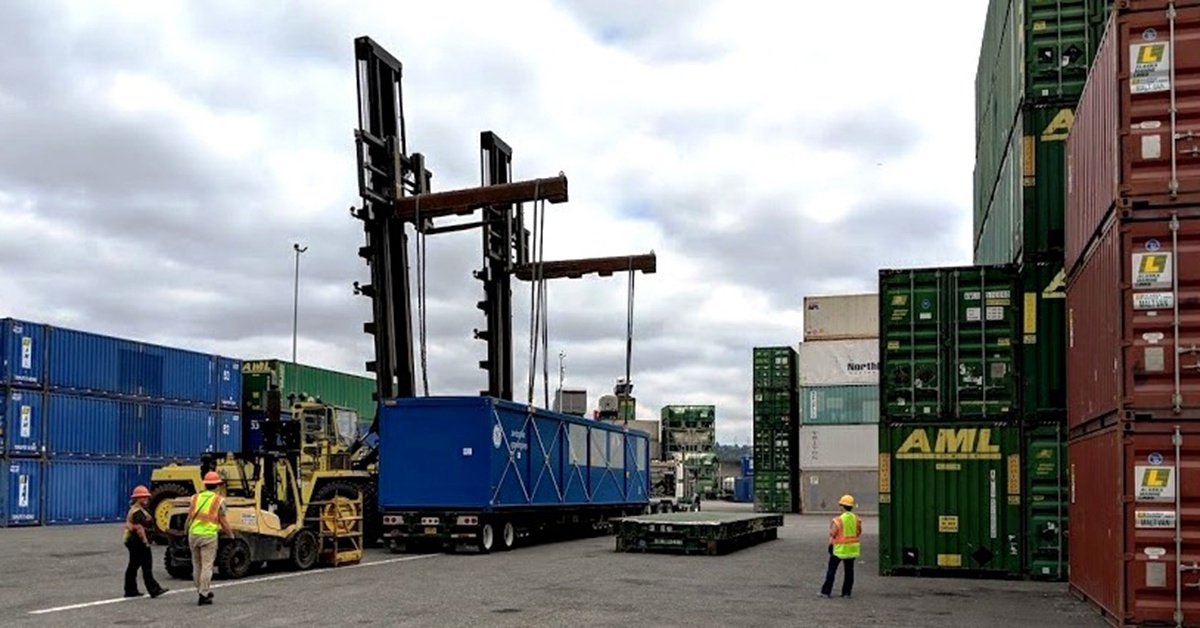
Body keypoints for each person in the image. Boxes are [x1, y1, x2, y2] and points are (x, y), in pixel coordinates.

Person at [185, 471, 233, 606]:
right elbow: (223, 521)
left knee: (196, 565)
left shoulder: (194, 498)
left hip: (193, 534)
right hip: (208, 536)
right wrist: (231, 536)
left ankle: (199, 590)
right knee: (207, 566)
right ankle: (204, 593)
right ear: (217, 485)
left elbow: (189, 517)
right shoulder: (218, 500)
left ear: (205, 484)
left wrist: (185, 532)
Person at [124, 485, 168, 599]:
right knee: (146, 565)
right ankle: (153, 589)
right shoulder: (137, 512)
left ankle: (130, 589)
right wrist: (145, 542)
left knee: (134, 565)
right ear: (138, 498)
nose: (146, 500)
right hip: (138, 541)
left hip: (133, 540)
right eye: (144, 498)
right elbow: (139, 528)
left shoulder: (136, 509)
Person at [820, 494, 862, 599]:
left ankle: (826, 591)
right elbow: (858, 532)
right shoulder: (856, 519)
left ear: (842, 506)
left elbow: (833, 533)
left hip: (839, 549)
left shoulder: (838, 520)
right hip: (852, 549)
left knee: (832, 570)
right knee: (849, 571)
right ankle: (846, 593)